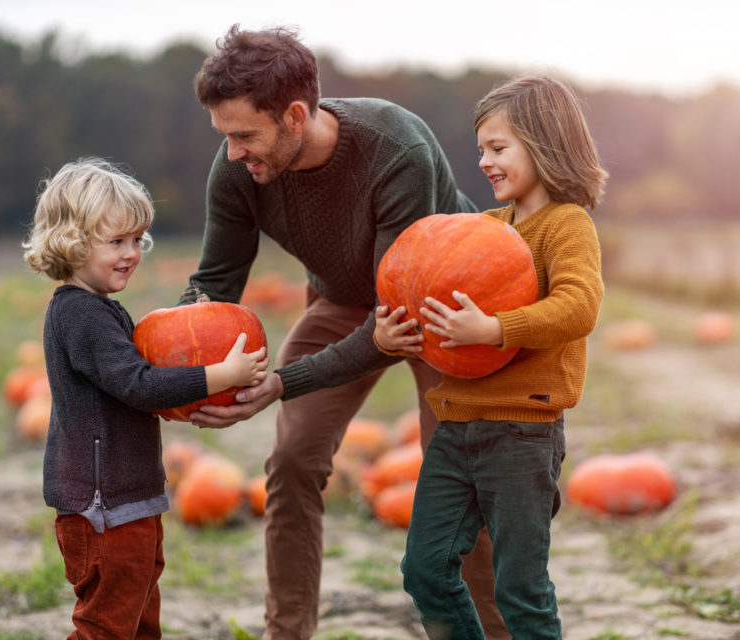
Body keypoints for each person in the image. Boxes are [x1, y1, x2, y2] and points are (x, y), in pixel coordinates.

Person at [177, 25, 509, 640]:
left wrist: (281, 381)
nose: (232, 154)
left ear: (296, 115)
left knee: (460, 476)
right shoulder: (238, 172)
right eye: (224, 136)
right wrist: (167, 368)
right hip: (344, 301)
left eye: (245, 135)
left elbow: (394, 322)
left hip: (445, 310)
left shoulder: (394, 148)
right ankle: (288, 632)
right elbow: (214, 283)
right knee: (293, 459)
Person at [375, 74, 608, 639]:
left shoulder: (566, 226)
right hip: (456, 426)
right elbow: (428, 287)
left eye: (498, 148)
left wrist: (496, 328)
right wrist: (392, 333)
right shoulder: (481, 228)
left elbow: (579, 307)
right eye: (481, 149)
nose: (484, 161)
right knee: (424, 570)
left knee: (520, 588)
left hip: (523, 432)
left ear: (545, 143)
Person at [22, 156, 268, 640]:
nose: (132, 252)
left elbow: (130, 392)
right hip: (103, 510)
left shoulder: (100, 309)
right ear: (72, 242)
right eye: (116, 241)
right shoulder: (81, 316)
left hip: (129, 501)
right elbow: (139, 383)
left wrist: (183, 403)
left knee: (138, 622)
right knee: (107, 627)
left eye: (137, 239)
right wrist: (219, 375)